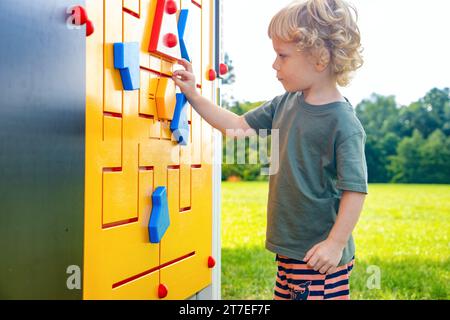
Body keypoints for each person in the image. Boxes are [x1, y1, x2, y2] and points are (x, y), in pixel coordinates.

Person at [173, 0, 368, 300]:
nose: (275, 65)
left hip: (319, 256)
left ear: (319, 57)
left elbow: (355, 189)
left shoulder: (343, 122)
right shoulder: (284, 103)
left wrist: (335, 243)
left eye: (282, 56)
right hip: (289, 250)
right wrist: (194, 96)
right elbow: (236, 126)